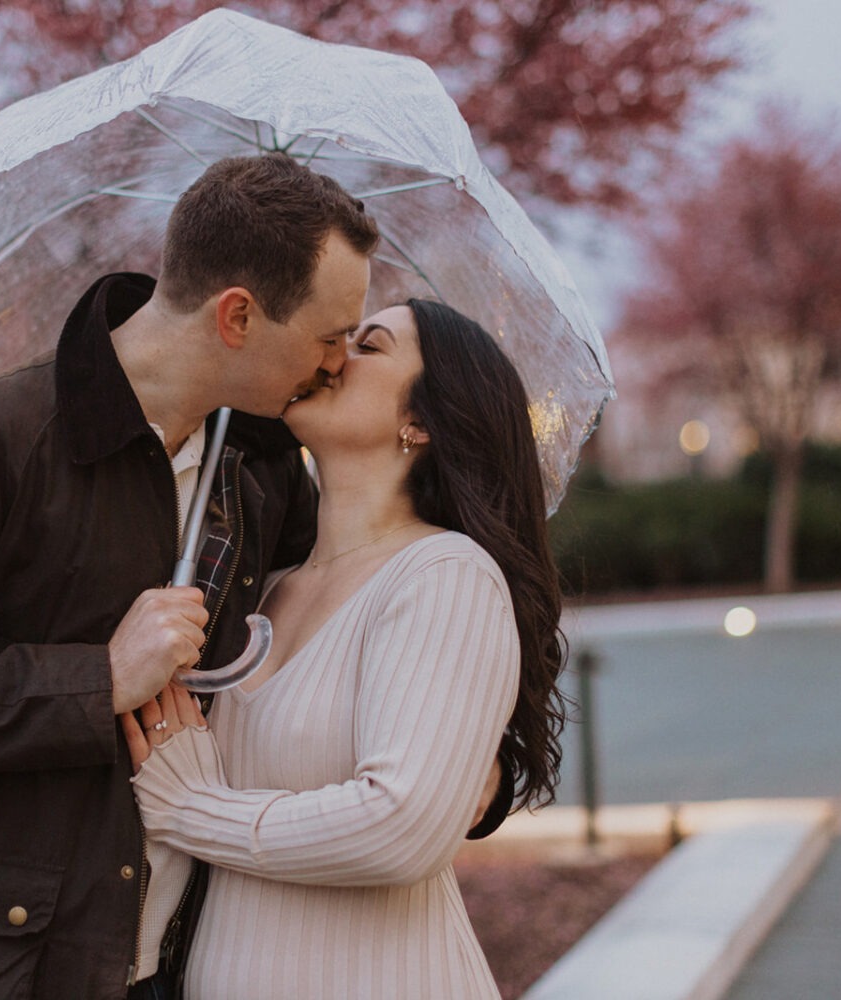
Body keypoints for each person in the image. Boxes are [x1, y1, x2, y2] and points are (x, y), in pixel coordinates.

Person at [0, 153, 382, 999]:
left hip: (157, 964)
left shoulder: (257, 470)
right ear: (238, 316)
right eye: (327, 338)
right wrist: (95, 680)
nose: (335, 365)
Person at [123, 299, 568, 999]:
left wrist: (191, 812)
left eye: (370, 345)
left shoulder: (445, 575)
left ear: (419, 421)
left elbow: (400, 827)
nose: (333, 355)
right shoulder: (267, 590)